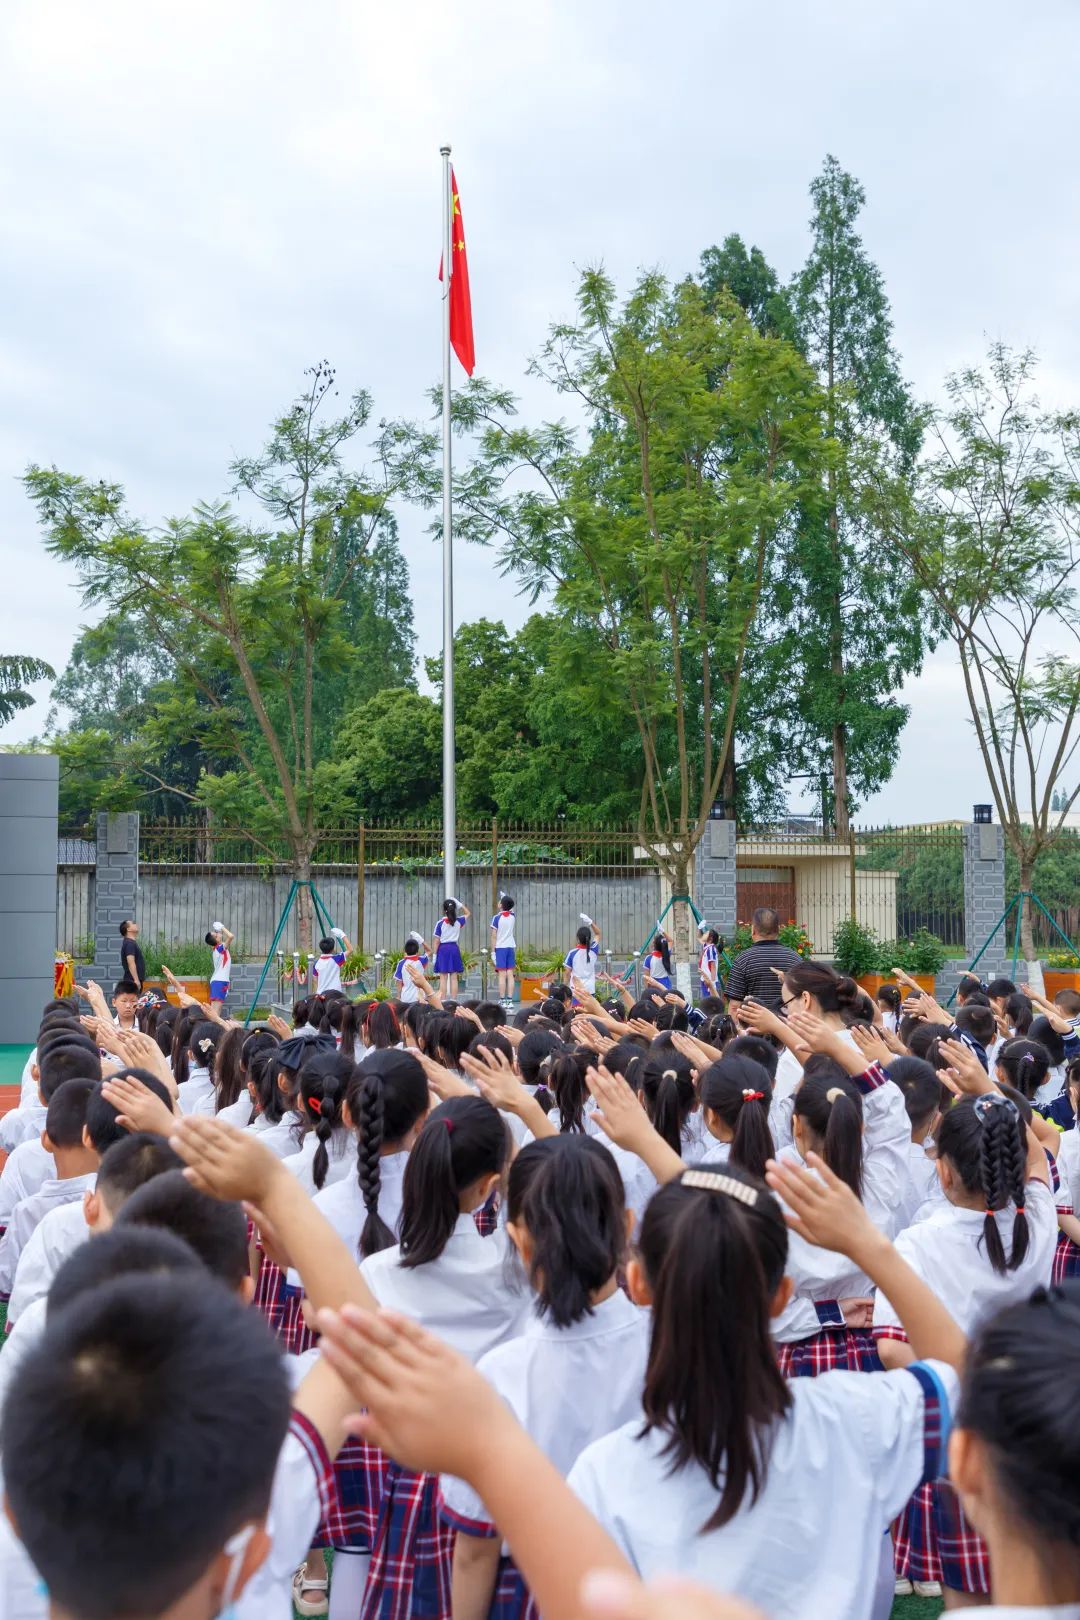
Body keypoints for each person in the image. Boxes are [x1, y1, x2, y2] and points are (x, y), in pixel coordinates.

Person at [563, 1155, 966, 1620]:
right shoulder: (859, 1418)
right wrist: (872, 1248)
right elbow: (964, 1382)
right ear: (780, 1297)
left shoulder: (601, 1474)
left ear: (636, 1284)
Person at [439, 1134, 649, 1620]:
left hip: (533, 1591)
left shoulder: (501, 1372)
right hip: (646, 1586)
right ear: (626, 1226)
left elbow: (476, 1547)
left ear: (519, 1238)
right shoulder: (671, 1347)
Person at [875, 1044, 1057, 1603]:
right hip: (1030, 1420)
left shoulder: (920, 1242)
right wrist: (986, 1089)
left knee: (966, 1600)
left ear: (945, 1169)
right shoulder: (1037, 1217)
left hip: (958, 1431)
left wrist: (960, 1374)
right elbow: (1037, 1158)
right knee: (1036, 1579)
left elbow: (890, 1349)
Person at [723, 909, 803, 1016]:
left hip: (753, 1029)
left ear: (753, 930)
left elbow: (734, 1007)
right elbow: (802, 1000)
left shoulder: (743, 960)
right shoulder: (795, 959)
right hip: (789, 1028)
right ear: (778, 930)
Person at [434, 898, 471, 998]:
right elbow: (468, 913)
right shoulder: (458, 921)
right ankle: (454, 1001)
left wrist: (434, 955)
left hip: (443, 950)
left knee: (443, 978)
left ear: (444, 910)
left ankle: (443, 1001)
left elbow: (436, 941)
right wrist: (461, 905)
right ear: (454, 909)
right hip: (454, 949)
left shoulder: (440, 923)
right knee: (454, 978)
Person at [564, 916, 603, 998]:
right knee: (589, 1010)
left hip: (576, 990)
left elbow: (567, 973)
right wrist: (591, 922)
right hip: (590, 990)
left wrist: (564, 986)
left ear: (578, 938)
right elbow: (598, 933)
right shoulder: (593, 950)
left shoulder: (572, 953)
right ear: (589, 938)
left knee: (577, 1010)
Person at [490, 895, 518, 1009]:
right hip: (510, 947)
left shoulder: (496, 918)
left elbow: (493, 936)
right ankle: (510, 1001)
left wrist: (493, 952)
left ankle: (502, 1000)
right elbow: (511, 908)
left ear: (501, 905)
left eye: (500, 901)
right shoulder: (513, 916)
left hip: (500, 948)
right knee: (510, 974)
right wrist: (505, 898)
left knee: (502, 975)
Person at [313, 928, 353, 997]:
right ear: (333, 949)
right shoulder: (337, 959)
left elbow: (315, 980)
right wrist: (342, 935)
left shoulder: (316, 963)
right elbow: (350, 949)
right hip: (335, 994)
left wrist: (317, 993)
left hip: (321, 995)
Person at [205, 919, 235, 1005]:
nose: (218, 933)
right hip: (219, 981)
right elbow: (231, 936)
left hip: (218, 981)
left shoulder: (217, 949)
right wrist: (222, 927)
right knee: (216, 1011)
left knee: (215, 1011)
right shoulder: (220, 948)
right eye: (216, 934)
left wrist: (220, 929)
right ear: (216, 939)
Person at [394, 934, 430, 1004]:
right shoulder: (421, 960)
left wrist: (398, 997)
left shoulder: (401, 963)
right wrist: (421, 941)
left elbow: (399, 982)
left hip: (405, 998)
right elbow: (429, 951)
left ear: (405, 950)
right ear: (417, 951)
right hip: (419, 998)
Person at [118, 918, 145, 992]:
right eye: (133, 923)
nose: (135, 924)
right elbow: (131, 962)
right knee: (133, 1002)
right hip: (132, 981)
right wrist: (136, 980)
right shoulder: (130, 943)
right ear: (128, 929)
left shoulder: (130, 943)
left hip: (132, 980)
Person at [697, 925, 722, 1001]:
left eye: (705, 934)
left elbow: (713, 966)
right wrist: (699, 928)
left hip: (710, 981)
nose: (703, 934)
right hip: (705, 979)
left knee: (711, 1003)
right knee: (706, 1001)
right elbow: (699, 938)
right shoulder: (706, 946)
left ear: (710, 939)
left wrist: (713, 983)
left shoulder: (711, 949)